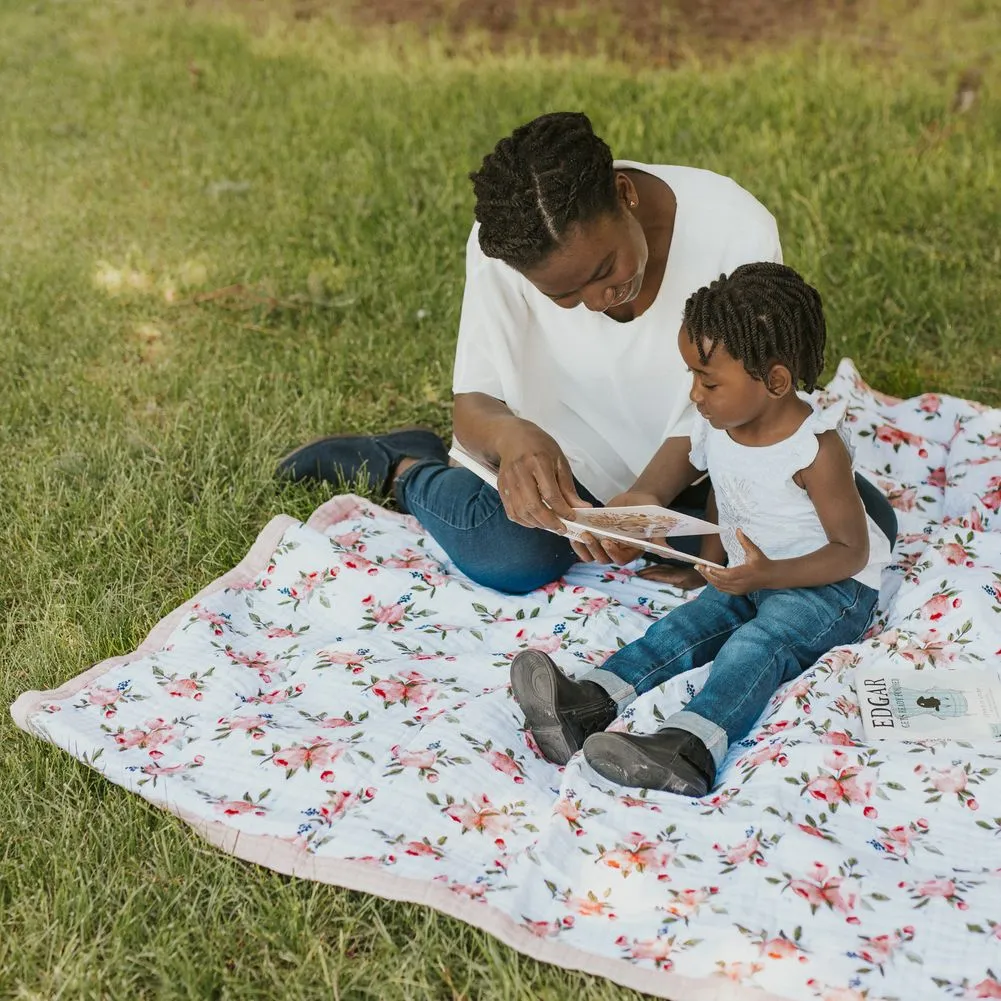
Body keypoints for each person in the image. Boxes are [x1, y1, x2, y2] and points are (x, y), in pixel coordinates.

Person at [276, 111, 896, 593]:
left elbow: (748, 389)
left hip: (707, 466)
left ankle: (666, 525)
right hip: (569, 480)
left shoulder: (734, 223)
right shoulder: (503, 250)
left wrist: (651, 496)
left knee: (863, 523)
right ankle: (403, 467)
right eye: (564, 295)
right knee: (509, 556)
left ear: (625, 194)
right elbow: (475, 404)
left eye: (604, 269)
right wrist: (515, 437)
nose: (598, 300)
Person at [510, 262, 892, 798]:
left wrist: (770, 574)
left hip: (828, 589)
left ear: (776, 381)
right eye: (691, 375)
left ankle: (690, 747)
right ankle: (587, 703)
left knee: (755, 645)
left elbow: (851, 552)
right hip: (751, 575)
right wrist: (705, 561)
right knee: (683, 628)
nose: (694, 393)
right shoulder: (719, 426)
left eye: (707, 380)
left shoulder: (814, 450)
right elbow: (726, 495)